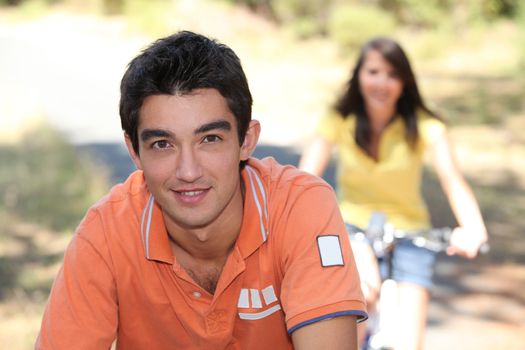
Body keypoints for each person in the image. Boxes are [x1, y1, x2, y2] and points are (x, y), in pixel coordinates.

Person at [35, 31, 367, 349]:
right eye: (163, 144)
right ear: (134, 151)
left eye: (209, 139)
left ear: (246, 140)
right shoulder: (105, 234)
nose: (188, 172)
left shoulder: (300, 207)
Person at [299, 37, 488, 350]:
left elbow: (453, 180)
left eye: (392, 75)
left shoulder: (425, 125)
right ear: (359, 75)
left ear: (405, 82)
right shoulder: (340, 118)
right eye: (373, 72)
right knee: (357, 302)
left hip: (411, 234)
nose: (381, 83)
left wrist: (473, 228)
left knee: (408, 342)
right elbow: (305, 179)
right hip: (350, 228)